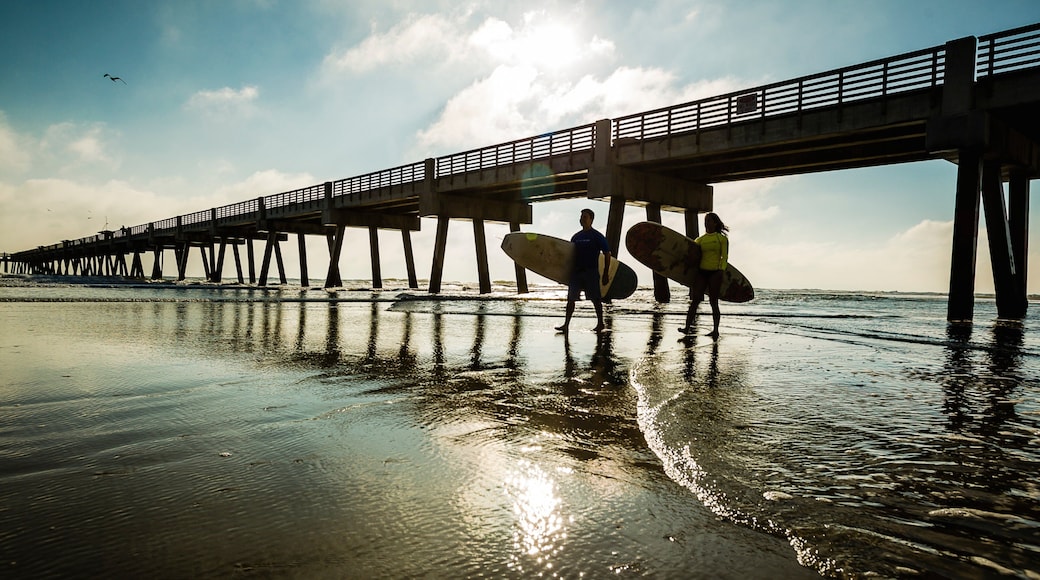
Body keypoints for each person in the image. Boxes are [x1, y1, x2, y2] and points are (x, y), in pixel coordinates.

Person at [555, 208, 611, 334]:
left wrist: (606, 273)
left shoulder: (597, 236)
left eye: (585, 217)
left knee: (595, 299)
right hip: (576, 272)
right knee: (571, 299)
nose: (582, 219)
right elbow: (569, 256)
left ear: (591, 219)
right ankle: (566, 325)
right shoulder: (576, 237)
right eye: (581, 217)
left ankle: (600, 323)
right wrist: (561, 274)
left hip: (591, 272)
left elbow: (607, 253)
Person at [680, 212, 729, 339]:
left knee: (713, 302)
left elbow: (724, 256)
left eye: (709, 220)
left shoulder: (721, 239)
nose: (706, 223)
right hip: (702, 272)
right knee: (695, 300)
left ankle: (716, 330)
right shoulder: (700, 240)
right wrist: (683, 275)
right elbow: (694, 258)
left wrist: (721, 271)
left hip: (715, 273)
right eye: (705, 220)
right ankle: (686, 328)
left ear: (715, 223)